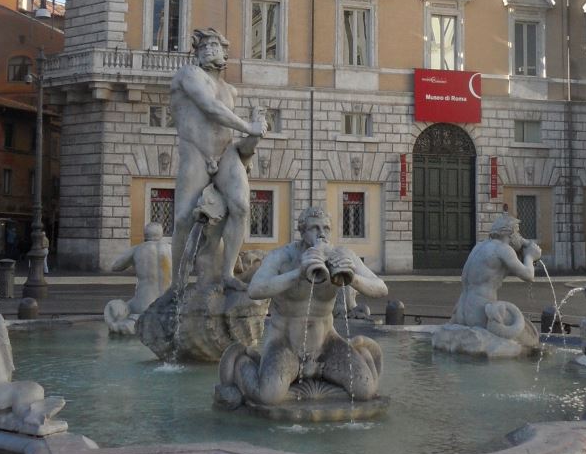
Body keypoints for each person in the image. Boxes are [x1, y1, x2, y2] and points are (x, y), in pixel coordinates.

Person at [222, 207, 388, 406]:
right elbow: (255, 289)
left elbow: (381, 288)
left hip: (326, 344)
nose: (321, 234)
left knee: (365, 390)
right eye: (314, 228)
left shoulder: (340, 255)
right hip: (286, 344)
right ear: (302, 231)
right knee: (269, 396)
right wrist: (298, 273)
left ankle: (354, 357)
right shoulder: (283, 256)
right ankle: (243, 363)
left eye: (326, 228)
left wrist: (352, 278)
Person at [169, 27, 266, 291]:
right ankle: (176, 284)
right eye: (203, 48)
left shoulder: (230, 91)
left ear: (225, 54)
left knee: (241, 207)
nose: (208, 51)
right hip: (196, 151)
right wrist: (249, 127)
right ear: (196, 54)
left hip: (226, 152)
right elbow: (210, 107)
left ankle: (228, 274)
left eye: (215, 47)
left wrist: (255, 134)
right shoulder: (189, 75)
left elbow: (234, 131)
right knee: (183, 219)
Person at [450, 214, 542, 328]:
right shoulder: (503, 249)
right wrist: (530, 256)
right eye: (518, 232)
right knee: (523, 332)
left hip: (460, 310)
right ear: (510, 233)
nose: (520, 237)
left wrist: (522, 247)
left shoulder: (480, 246)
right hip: (480, 312)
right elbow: (528, 275)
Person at [109, 222, 172, 315]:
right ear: (161, 234)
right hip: (168, 306)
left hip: (143, 305)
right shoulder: (171, 249)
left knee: (116, 308)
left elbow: (115, 266)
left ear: (145, 234)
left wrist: (133, 260)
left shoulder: (137, 249)